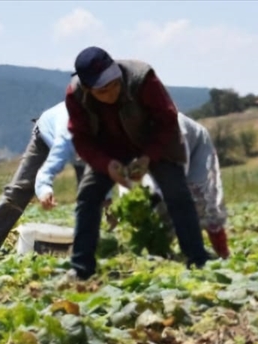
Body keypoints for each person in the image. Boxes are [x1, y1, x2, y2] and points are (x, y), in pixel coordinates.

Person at [65, 46, 210, 279]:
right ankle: (81, 267)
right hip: (109, 149)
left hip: (153, 141)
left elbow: (167, 120)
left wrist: (148, 157)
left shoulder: (142, 79)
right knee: (88, 195)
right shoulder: (75, 95)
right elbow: (81, 137)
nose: (111, 93)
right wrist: (105, 165)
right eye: (102, 91)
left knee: (177, 193)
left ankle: (198, 260)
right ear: (87, 89)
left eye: (114, 84)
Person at [106, 113, 231, 258]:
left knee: (203, 197)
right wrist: (120, 207)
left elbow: (177, 179)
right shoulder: (121, 139)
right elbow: (124, 179)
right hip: (149, 159)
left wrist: (158, 196)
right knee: (156, 208)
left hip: (193, 148)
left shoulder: (170, 125)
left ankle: (222, 251)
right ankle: (163, 250)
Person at [0, 102, 86, 253]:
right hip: (46, 133)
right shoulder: (66, 136)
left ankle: (110, 240)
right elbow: (45, 172)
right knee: (19, 190)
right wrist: (44, 190)